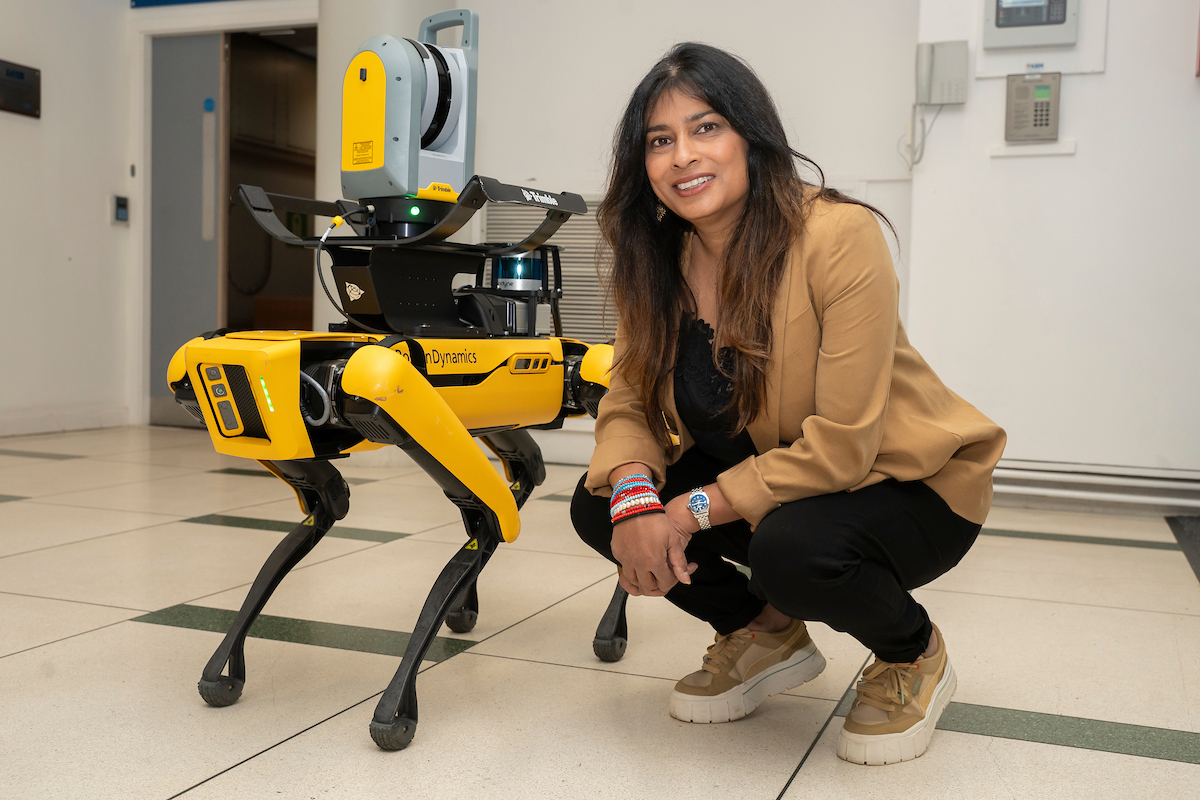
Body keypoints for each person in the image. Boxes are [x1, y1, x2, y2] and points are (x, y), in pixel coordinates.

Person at [569, 42, 1005, 766]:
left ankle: (914, 654)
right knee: (601, 508)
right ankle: (765, 633)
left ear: (750, 135)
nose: (683, 155)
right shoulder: (658, 257)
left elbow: (843, 445)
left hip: (906, 483)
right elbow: (628, 396)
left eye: (706, 128)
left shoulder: (838, 235)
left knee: (792, 552)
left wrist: (688, 510)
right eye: (660, 140)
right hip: (775, 480)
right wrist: (638, 497)